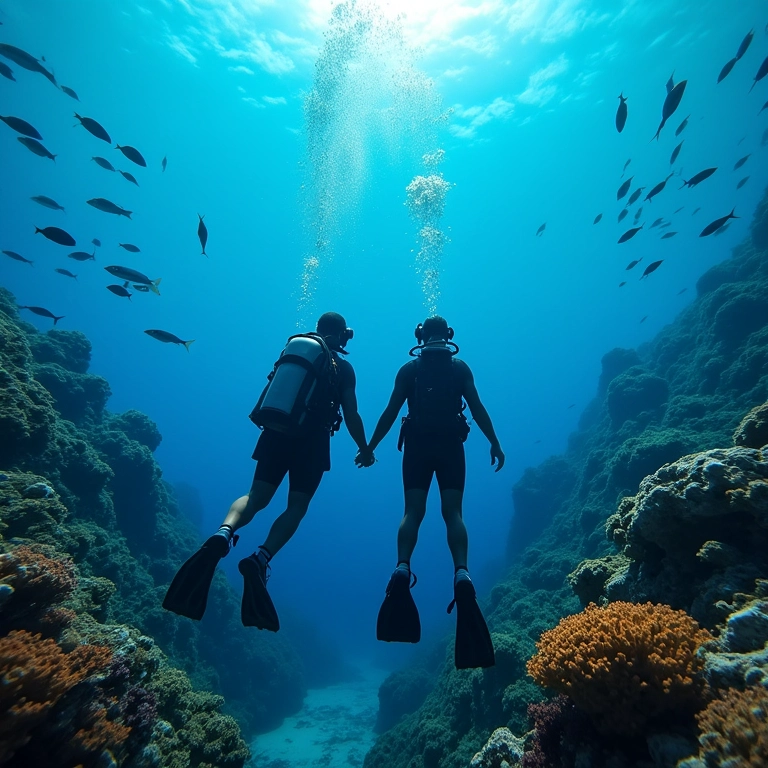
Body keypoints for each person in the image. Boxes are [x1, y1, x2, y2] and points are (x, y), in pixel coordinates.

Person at [163, 312, 368, 630]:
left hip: (275, 432)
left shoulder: (294, 350)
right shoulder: (343, 368)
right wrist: (364, 448)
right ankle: (261, 558)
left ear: (318, 329)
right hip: (312, 441)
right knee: (296, 507)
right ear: (342, 335)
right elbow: (351, 413)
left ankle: (224, 532)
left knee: (256, 496)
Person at [357, 316, 504, 669]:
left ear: (420, 336)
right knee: (453, 514)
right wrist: (495, 442)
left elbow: (391, 412)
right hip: (451, 446)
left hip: (417, 448)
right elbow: (479, 408)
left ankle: (403, 568)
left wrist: (369, 447)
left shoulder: (409, 370)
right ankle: (462, 573)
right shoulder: (459, 367)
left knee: (413, 513)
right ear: (449, 336)